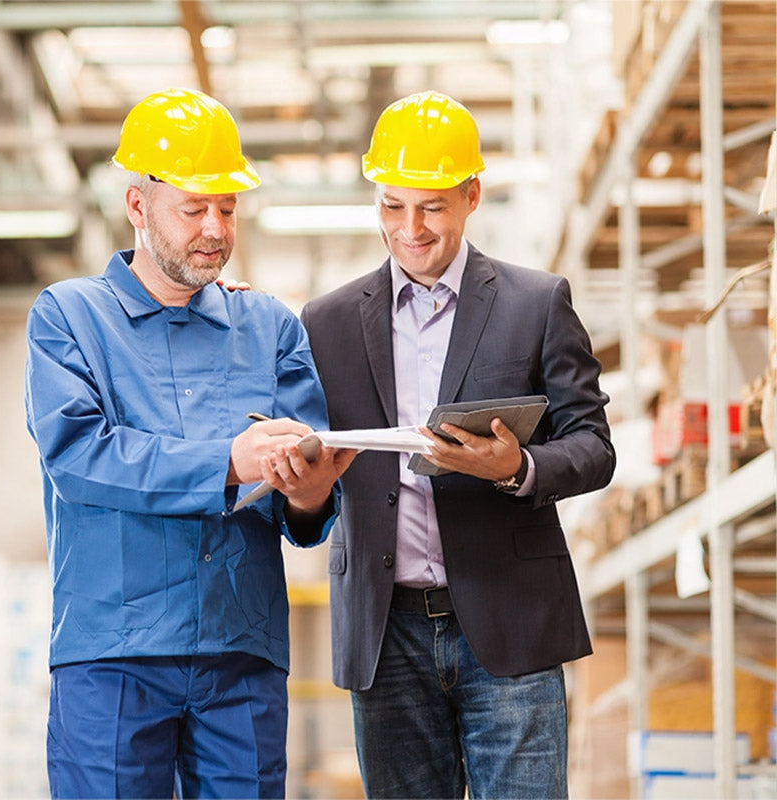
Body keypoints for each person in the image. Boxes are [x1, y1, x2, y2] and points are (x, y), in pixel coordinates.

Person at [24, 87, 355, 800]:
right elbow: (80, 457)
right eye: (193, 208)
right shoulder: (69, 318)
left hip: (241, 651)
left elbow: (299, 511)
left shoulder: (269, 327)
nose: (214, 228)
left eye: (228, 208)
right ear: (138, 206)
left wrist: (309, 493)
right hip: (113, 653)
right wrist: (228, 463)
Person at [300, 90, 616, 799]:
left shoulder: (536, 304)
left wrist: (520, 467)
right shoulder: (326, 323)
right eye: (391, 206)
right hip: (386, 634)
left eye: (431, 206)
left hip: (508, 623)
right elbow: (304, 499)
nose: (409, 229)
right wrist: (304, 489)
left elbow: (594, 447)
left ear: (472, 195)